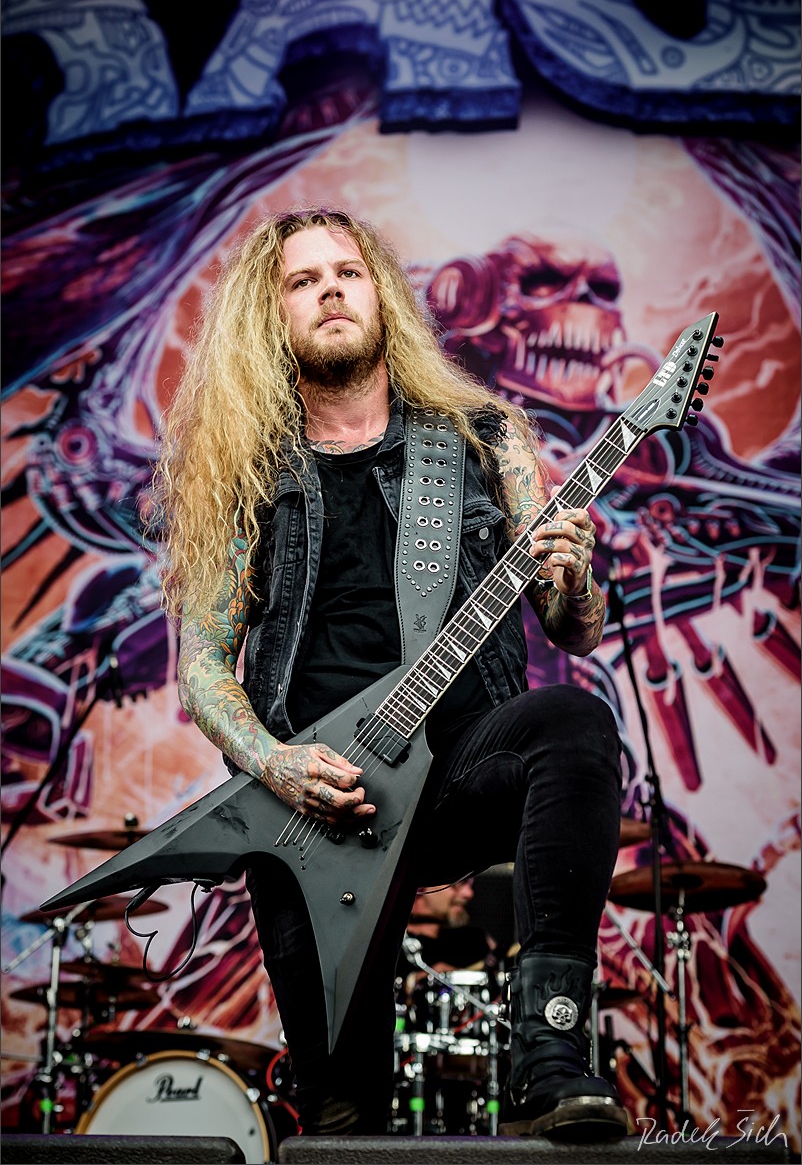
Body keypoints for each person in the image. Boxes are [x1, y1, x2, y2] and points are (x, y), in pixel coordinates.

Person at [151, 207, 628, 1140]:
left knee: (572, 723)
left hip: (455, 771)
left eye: (348, 272)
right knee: (342, 1118)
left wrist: (575, 579)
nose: (330, 291)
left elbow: (571, 629)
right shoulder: (246, 469)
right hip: (314, 806)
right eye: (302, 280)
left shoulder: (484, 437)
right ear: (272, 314)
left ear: (383, 296)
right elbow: (203, 666)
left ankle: (551, 1048)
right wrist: (276, 763)